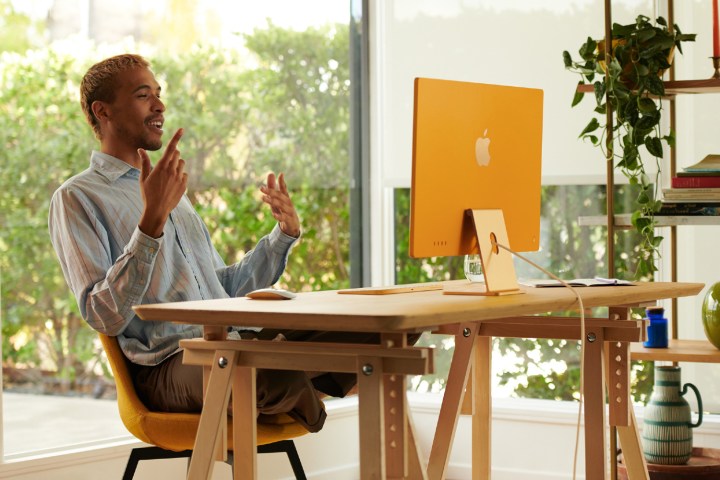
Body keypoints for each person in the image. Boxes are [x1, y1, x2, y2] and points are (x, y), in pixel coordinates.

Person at [49, 53, 363, 433]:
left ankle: (287, 376)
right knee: (258, 374)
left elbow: (222, 292)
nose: (160, 105)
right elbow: (103, 314)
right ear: (104, 111)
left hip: (227, 340)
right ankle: (289, 378)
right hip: (168, 365)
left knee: (370, 335)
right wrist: (150, 226)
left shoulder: (170, 190)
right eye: (143, 95)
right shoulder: (77, 197)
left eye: (159, 94)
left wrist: (282, 236)